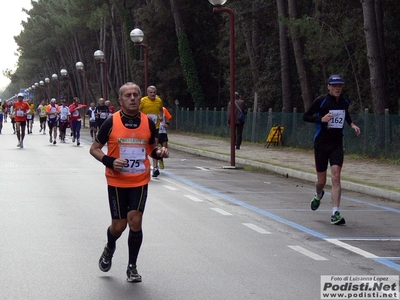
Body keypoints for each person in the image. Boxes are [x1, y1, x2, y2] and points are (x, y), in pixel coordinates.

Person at [90, 82, 169, 283]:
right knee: (118, 226)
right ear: (121, 100)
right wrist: (110, 161)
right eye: (128, 95)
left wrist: (159, 153)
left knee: (135, 221)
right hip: (117, 181)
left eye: (135, 95)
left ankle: (132, 266)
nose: (132, 98)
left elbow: (151, 148)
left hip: (139, 180)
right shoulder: (111, 122)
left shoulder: (148, 123)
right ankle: (109, 247)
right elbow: (95, 148)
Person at [303, 74, 361, 225]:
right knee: (321, 181)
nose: (337, 89)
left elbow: (345, 114)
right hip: (321, 144)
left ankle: (335, 213)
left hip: (336, 144)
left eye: (340, 86)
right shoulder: (321, 101)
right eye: (334, 86)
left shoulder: (345, 101)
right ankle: (318, 195)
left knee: (336, 177)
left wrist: (352, 124)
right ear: (328, 86)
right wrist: (320, 119)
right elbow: (306, 116)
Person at [139, 85, 163, 177]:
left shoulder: (159, 101)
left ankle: (155, 168)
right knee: (144, 146)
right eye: (151, 92)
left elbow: (161, 110)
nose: (153, 94)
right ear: (147, 93)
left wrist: (161, 116)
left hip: (155, 127)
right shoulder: (143, 101)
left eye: (154, 92)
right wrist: (144, 117)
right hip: (144, 126)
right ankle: (142, 164)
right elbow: (137, 111)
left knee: (154, 146)